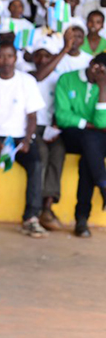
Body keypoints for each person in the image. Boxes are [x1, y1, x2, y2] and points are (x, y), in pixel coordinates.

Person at [0, 42, 47, 237]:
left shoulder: (27, 81)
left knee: (36, 163)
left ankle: (31, 218)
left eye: (10, 56)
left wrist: (27, 141)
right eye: (2, 57)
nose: (6, 61)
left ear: (16, 58)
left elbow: (32, 117)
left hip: (21, 137)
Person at [55, 53, 106, 237]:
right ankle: (103, 185)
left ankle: (81, 219)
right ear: (91, 63)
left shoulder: (104, 84)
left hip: (94, 142)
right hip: (72, 136)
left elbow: (102, 122)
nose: (99, 73)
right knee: (89, 140)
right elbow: (62, 116)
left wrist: (102, 88)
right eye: (97, 68)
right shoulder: (67, 79)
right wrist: (87, 124)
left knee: (88, 159)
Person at [28, 35, 68, 231]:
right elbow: (41, 74)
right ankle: (35, 210)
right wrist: (65, 48)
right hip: (31, 128)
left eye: (47, 56)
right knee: (41, 154)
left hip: (50, 128)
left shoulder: (59, 78)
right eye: (38, 55)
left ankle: (47, 206)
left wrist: (55, 128)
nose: (42, 59)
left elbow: (59, 107)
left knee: (58, 152)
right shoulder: (28, 75)